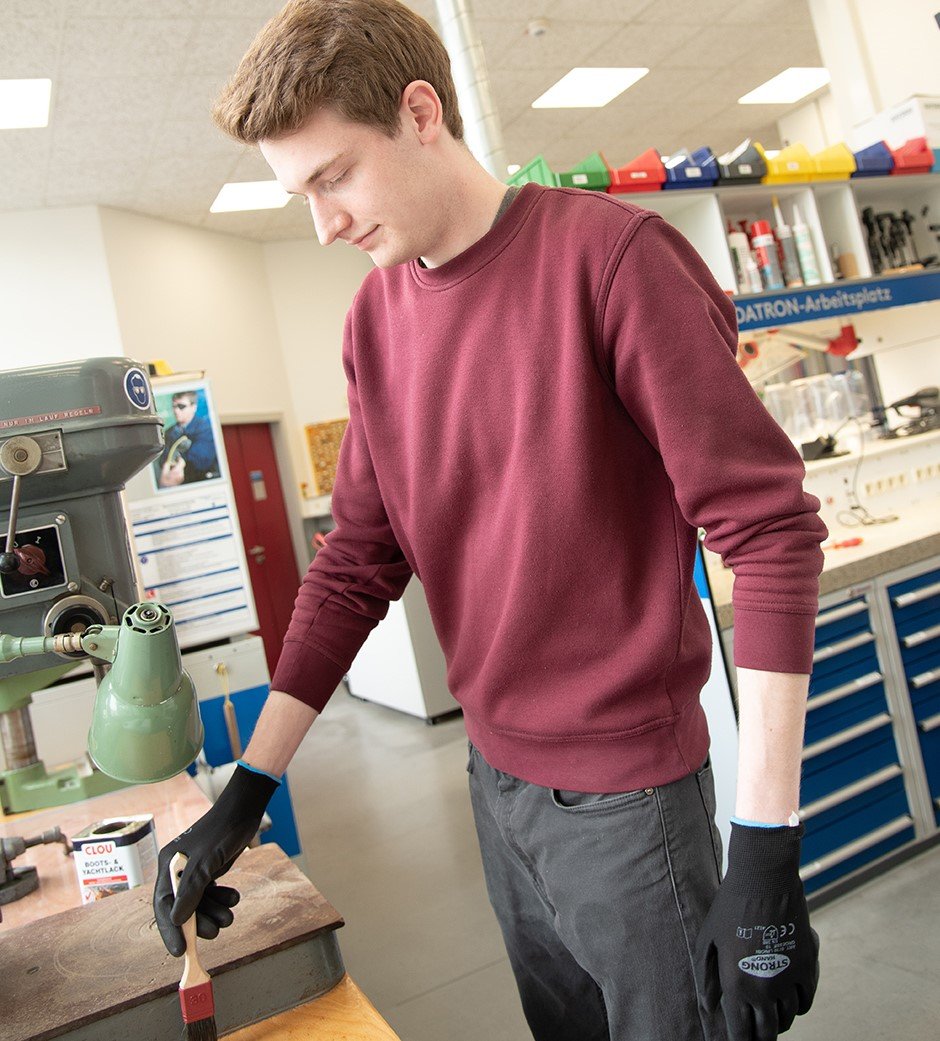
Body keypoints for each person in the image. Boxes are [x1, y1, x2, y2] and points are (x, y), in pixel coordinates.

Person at [153, 3, 828, 1039]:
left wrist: (768, 844)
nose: (323, 224)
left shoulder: (613, 261)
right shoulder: (375, 323)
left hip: (630, 809)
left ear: (420, 114)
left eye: (333, 177)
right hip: (497, 787)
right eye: (300, 196)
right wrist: (249, 786)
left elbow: (768, 533)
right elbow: (355, 564)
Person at [157, 391, 218, 487]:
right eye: (174, 406)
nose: (176, 411)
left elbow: (203, 458)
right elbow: (163, 458)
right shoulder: (169, 432)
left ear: (193, 407)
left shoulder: (205, 428)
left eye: (181, 406)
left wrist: (181, 463)